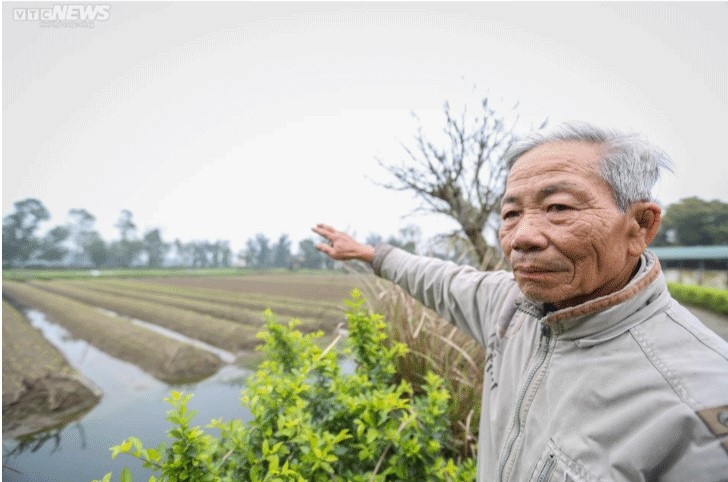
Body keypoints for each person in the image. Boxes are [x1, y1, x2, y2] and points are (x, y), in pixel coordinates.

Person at [312, 121, 728, 482]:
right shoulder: (509, 308)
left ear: (639, 225)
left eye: (558, 207)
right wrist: (370, 254)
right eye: (511, 213)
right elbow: (437, 279)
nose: (522, 237)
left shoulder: (699, 399)